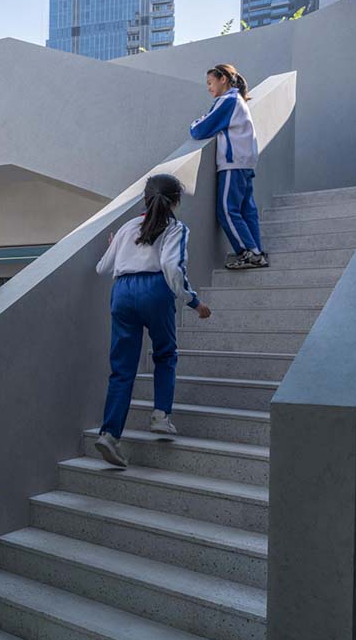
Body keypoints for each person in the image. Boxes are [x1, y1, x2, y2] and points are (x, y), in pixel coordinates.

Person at [93, 174, 212, 468]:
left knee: (121, 369)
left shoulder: (125, 227)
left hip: (121, 293)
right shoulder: (176, 229)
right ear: (176, 201)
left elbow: (101, 268)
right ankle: (160, 416)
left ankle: (109, 433)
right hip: (154, 291)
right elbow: (172, 267)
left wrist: (115, 246)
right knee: (165, 354)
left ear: (144, 199)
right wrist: (194, 302)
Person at [190, 63, 268, 270]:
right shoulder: (238, 100)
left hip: (233, 163)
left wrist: (194, 122)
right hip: (245, 162)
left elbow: (200, 130)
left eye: (210, 82)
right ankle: (257, 250)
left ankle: (248, 252)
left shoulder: (227, 100)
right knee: (246, 209)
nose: (208, 88)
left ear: (222, 79)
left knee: (227, 210)